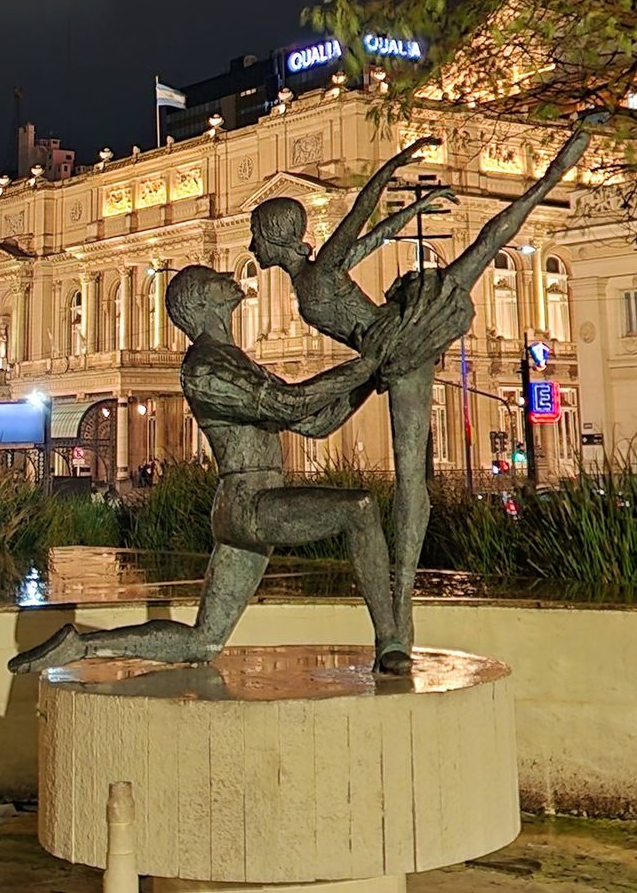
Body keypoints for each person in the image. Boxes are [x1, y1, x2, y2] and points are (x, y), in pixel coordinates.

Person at [250, 113, 606, 664]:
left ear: (277, 238)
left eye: (256, 235)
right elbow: (372, 231)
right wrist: (411, 206)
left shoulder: (317, 272)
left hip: (400, 337)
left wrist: (396, 165)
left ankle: (401, 612)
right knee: (355, 443)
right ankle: (398, 614)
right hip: (381, 359)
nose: (251, 246)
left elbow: (363, 210)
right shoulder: (317, 272)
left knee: (498, 232)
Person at [9, 264, 404, 675]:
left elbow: (313, 424)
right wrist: (368, 363)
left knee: (205, 640)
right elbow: (292, 404)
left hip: (247, 505)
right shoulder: (205, 366)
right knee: (359, 509)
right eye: (214, 278)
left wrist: (369, 379)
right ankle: (390, 640)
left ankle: (81, 646)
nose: (227, 277)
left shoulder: (234, 359)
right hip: (250, 503)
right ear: (201, 301)